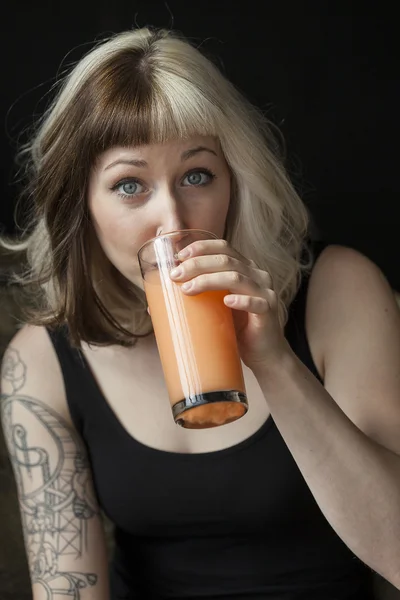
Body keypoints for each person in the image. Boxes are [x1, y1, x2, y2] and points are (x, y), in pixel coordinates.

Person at [1, 27, 400, 600]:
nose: (172, 219)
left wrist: (275, 363)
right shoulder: (39, 363)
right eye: (130, 185)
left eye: (197, 175)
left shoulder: (338, 289)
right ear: (80, 206)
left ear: (234, 181)